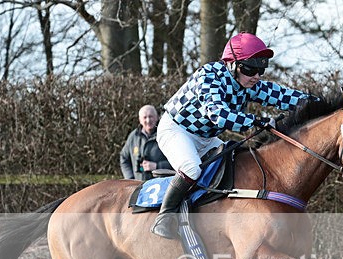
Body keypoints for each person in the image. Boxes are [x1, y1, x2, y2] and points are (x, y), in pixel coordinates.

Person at [152, 32, 314, 239]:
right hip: (177, 130)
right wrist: (255, 121)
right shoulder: (209, 75)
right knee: (191, 168)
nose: (256, 75)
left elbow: (284, 97)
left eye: (261, 69)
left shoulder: (248, 84)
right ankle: (165, 217)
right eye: (250, 68)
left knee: (237, 165)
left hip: (206, 138)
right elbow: (218, 115)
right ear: (231, 64)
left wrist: (324, 103)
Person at [119, 105, 172, 181]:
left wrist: (157, 166)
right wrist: (129, 179)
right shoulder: (133, 136)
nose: (148, 120)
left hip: (161, 185)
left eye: (151, 117)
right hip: (137, 187)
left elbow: (178, 162)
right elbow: (124, 158)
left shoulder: (165, 135)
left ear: (157, 118)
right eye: (145, 117)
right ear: (140, 120)